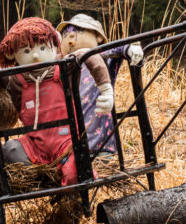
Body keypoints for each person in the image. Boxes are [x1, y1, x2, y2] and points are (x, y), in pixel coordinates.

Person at [0, 17, 114, 186]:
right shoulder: (16, 80)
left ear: (55, 44)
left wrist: (106, 90)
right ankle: (45, 178)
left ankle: (65, 181)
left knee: (77, 172)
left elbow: (86, 54)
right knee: (10, 149)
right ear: (11, 53)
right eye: (26, 51)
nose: (36, 55)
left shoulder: (64, 68)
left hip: (66, 143)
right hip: (34, 146)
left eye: (43, 48)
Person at [57, 13, 143, 157]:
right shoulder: (62, 63)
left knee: (101, 160)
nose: (70, 37)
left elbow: (119, 47)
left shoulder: (103, 55)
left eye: (80, 31)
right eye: (65, 34)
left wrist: (131, 48)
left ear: (97, 37)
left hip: (99, 144)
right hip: (68, 146)